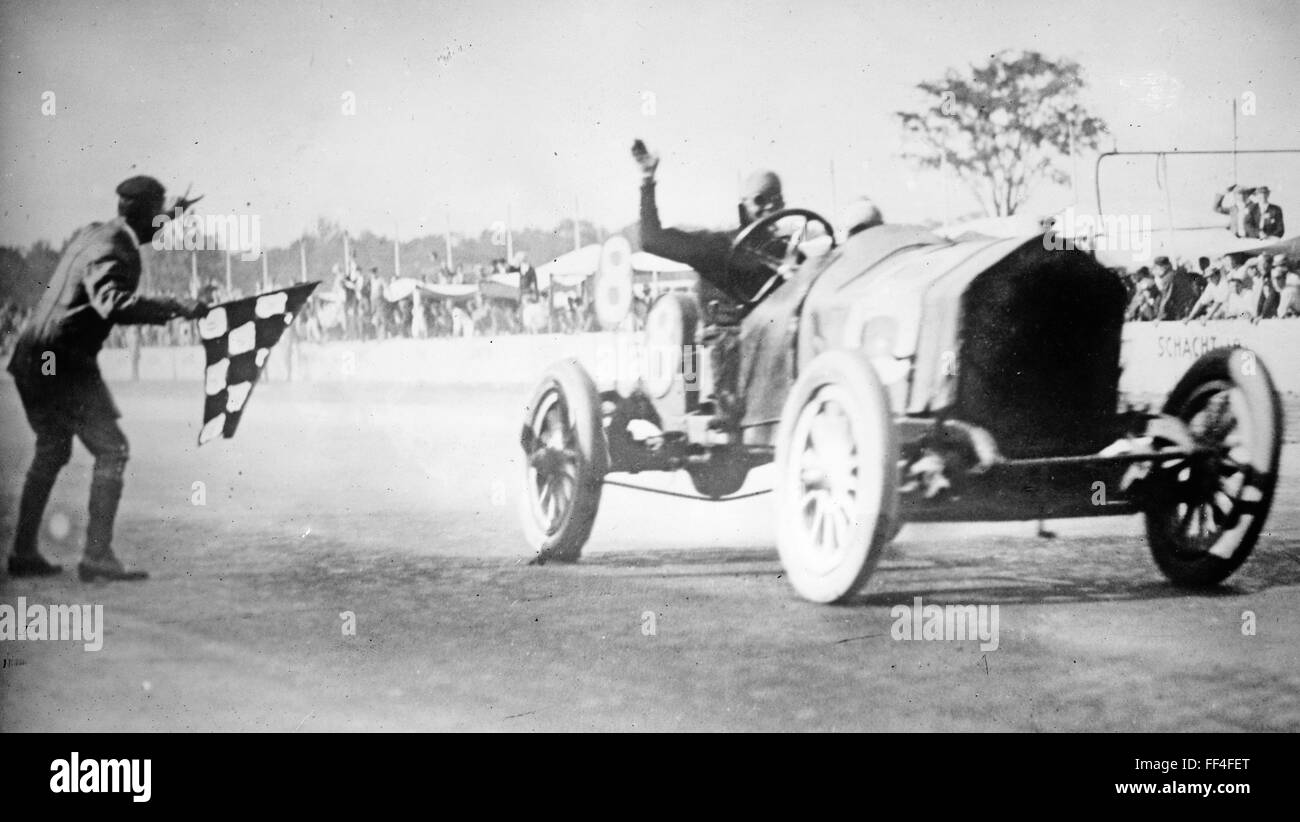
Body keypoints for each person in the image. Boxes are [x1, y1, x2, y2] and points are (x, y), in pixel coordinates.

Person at [6, 176, 207, 580]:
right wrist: (176, 307)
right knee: (112, 450)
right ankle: (97, 556)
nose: (162, 222)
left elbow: (137, 233)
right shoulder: (114, 246)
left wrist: (173, 214)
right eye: (159, 211)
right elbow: (111, 303)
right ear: (142, 213)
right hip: (63, 362)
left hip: (33, 356)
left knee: (52, 449)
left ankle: (24, 552)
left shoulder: (99, 233)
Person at [633, 138, 786, 428]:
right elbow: (652, 240)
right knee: (730, 343)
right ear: (745, 207)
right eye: (762, 200)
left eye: (777, 199)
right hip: (731, 343)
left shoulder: (787, 252)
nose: (771, 207)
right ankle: (727, 406)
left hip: (773, 345)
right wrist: (647, 180)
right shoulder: (718, 247)